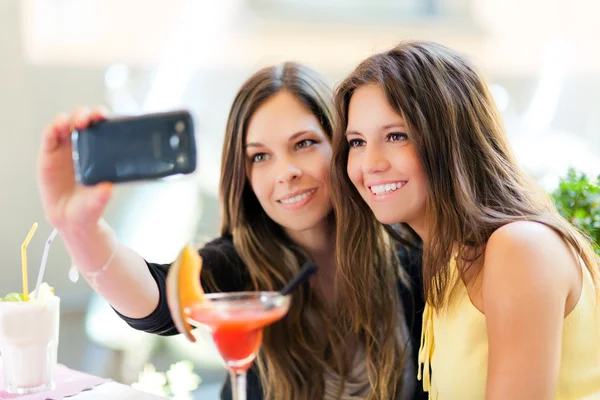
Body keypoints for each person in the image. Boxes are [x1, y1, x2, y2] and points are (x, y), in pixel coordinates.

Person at [37, 62, 425, 400]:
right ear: (245, 175)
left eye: (304, 144)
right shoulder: (237, 265)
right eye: (260, 156)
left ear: (339, 145)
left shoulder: (408, 254)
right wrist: (81, 227)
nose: (285, 171)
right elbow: (154, 301)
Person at [329, 40, 600, 399]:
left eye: (396, 136)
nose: (370, 164)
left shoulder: (519, 247)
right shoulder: (447, 262)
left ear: (453, 139)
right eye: (357, 142)